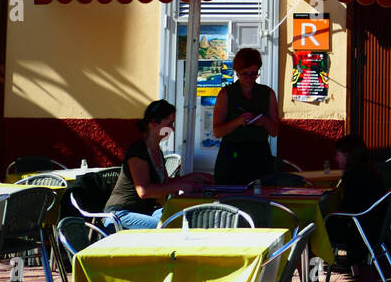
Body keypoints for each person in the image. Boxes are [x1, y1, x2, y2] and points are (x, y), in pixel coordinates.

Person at [105, 100, 209, 229]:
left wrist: (193, 177)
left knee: (183, 218)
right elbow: (144, 191)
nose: (172, 128)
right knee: (171, 226)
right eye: (169, 124)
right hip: (120, 215)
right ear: (153, 123)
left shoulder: (156, 151)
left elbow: (165, 183)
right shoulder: (138, 151)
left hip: (143, 213)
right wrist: (182, 185)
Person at [212, 48, 280, 185]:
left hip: (259, 155)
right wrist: (238, 122)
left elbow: (275, 131)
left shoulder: (267, 93)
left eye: (254, 74)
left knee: (262, 195)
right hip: (232, 155)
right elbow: (217, 132)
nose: (250, 78)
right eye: (245, 74)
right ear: (237, 72)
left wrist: (264, 121)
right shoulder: (226, 93)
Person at [324, 135, 390, 252]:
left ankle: (311, 261)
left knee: (313, 227)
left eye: (338, 155)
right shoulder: (371, 173)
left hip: (358, 232)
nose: (335, 159)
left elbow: (346, 211)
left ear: (347, 155)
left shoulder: (354, 179)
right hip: (375, 229)